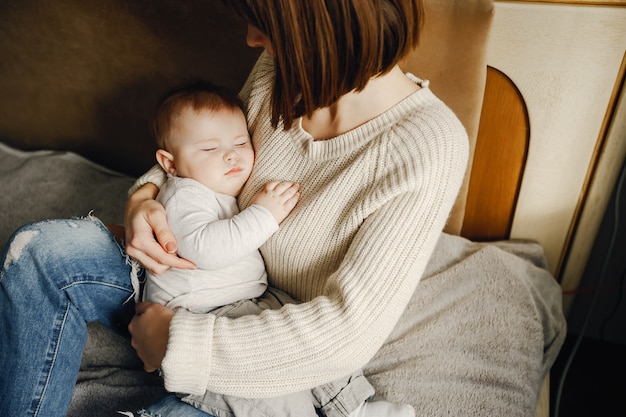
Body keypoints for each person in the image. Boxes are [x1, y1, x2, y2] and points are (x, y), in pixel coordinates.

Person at [0, 1, 469, 416]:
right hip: (187, 277)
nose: (251, 39)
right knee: (37, 252)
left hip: (265, 336)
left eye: (265, 23)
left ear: (321, 22)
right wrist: (144, 199)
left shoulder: (427, 147)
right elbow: (206, 151)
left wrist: (177, 343)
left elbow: (346, 333)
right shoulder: (282, 68)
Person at [140, 81, 411, 417]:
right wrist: (263, 215)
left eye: (241, 142)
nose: (231, 154)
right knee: (266, 394)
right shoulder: (184, 196)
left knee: (306, 339)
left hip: (248, 299)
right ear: (170, 164)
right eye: (209, 149)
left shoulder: (210, 185)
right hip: (201, 315)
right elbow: (207, 250)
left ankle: (352, 407)